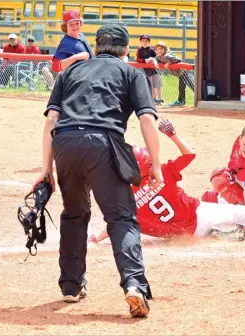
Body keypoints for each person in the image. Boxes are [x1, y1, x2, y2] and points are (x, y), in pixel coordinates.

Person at [32, 23, 163, 318]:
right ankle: (134, 285)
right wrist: (155, 164)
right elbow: (146, 120)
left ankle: (70, 285)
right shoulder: (132, 73)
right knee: (120, 218)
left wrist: (46, 169)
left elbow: (50, 122)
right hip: (103, 143)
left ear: (97, 46)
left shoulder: (71, 72)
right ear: (126, 49)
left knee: (74, 213)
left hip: (65, 144)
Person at [90, 119, 245, 245]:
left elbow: (114, 224)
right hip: (199, 214)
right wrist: (172, 135)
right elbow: (190, 154)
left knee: (212, 204)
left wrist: (97, 239)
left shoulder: (125, 197)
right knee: (241, 212)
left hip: (183, 233)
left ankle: (219, 231)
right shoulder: (160, 173)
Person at [153, 41, 195, 107]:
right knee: (182, 86)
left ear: (165, 49)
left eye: (161, 49)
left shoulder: (167, 55)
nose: (159, 50)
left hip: (183, 71)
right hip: (178, 73)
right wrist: (155, 63)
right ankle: (181, 101)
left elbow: (179, 59)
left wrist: (168, 62)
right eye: (158, 49)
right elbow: (154, 59)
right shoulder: (158, 57)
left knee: (191, 85)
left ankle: (201, 97)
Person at [136, 34, 163, 105]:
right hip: (145, 71)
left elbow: (156, 57)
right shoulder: (139, 50)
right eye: (143, 41)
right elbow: (138, 59)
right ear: (141, 42)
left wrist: (152, 60)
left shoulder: (151, 50)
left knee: (156, 85)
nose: (145, 42)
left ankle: (157, 99)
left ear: (149, 42)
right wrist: (144, 60)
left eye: (146, 41)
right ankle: (150, 99)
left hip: (154, 70)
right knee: (148, 85)